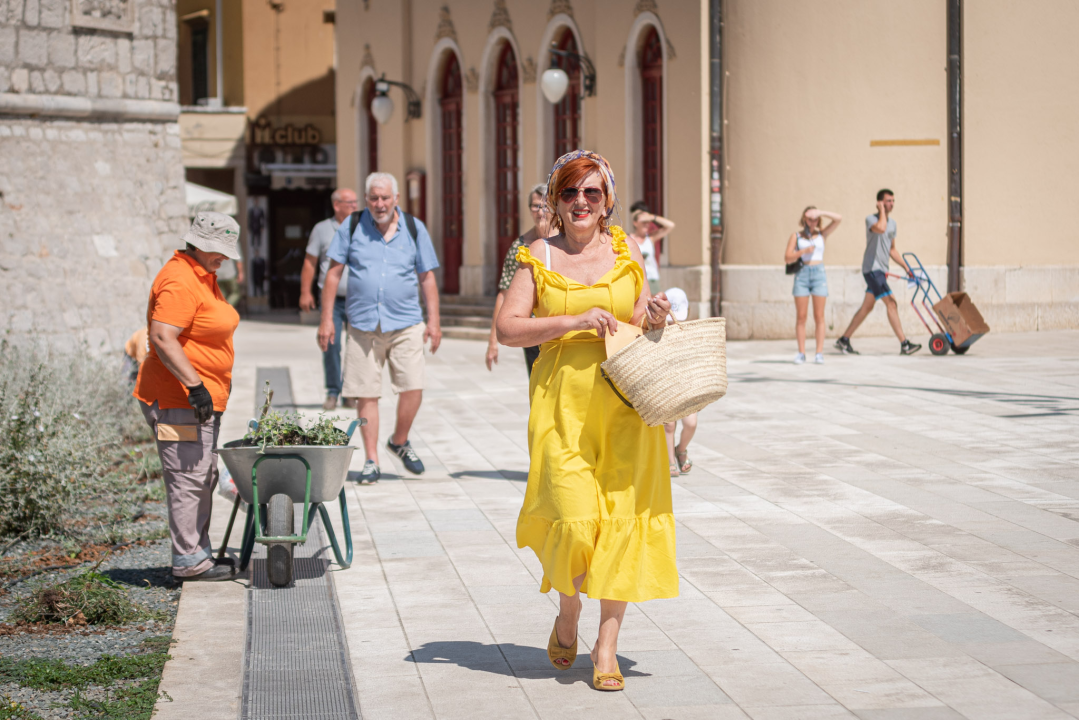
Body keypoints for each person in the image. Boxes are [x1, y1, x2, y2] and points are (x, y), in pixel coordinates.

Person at [497, 150, 677, 692]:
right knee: (573, 520)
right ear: (556, 200)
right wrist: (572, 320)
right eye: (571, 193)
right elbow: (507, 327)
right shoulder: (538, 255)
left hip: (624, 404)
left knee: (622, 522)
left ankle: (607, 646)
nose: (580, 202)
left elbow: (639, 314)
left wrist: (656, 314)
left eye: (592, 193)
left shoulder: (627, 249)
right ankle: (569, 610)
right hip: (563, 407)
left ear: (607, 203)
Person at [133, 211, 241, 582]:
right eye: (216, 250)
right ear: (195, 242)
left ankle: (198, 553)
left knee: (199, 473)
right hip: (176, 399)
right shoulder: (180, 280)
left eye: (225, 251)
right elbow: (163, 337)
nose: (222, 257)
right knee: (186, 476)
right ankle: (189, 563)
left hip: (193, 399)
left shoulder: (202, 276)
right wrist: (196, 387)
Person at [318, 173, 441, 484]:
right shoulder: (352, 226)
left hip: (406, 323)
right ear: (366, 199)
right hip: (362, 325)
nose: (379, 203)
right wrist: (326, 320)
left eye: (385, 197)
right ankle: (371, 459)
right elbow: (333, 274)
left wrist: (435, 322)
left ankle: (399, 441)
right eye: (373, 197)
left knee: (413, 387)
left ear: (396, 198)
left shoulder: (414, 228)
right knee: (366, 393)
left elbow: (427, 277)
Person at [835, 189, 922, 355]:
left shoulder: (893, 224)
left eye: (893, 201)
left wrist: (907, 267)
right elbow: (881, 228)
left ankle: (844, 340)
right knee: (891, 303)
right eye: (888, 201)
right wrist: (882, 210)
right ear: (880, 202)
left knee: (866, 308)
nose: (891, 204)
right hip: (872, 269)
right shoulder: (871, 219)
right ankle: (904, 344)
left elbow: (893, 249)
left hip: (881, 270)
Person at [301, 188, 360, 410]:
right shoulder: (322, 229)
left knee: (356, 346)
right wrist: (305, 292)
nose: (355, 206)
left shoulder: (363, 228)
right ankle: (333, 391)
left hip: (358, 299)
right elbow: (310, 262)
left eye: (356, 202)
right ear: (336, 205)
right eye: (349, 202)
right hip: (331, 299)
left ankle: (351, 391)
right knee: (331, 344)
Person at [486, 183, 551, 376]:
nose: (540, 211)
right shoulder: (519, 247)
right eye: (535, 206)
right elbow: (504, 293)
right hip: (532, 332)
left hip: (561, 329)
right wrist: (492, 341)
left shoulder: (566, 242)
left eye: (545, 205)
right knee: (538, 389)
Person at [783, 206, 842, 364]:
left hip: (818, 274)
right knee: (801, 317)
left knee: (819, 316)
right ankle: (801, 353)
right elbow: (787, 257)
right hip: (802, 275)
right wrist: (802, 252)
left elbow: (838, 219)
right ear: (804, 219)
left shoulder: (822, 234)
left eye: (815, 218)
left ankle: (819, 353)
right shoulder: (796, 236)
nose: (812, 221)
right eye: (809, 218)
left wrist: (820, 212)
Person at [660, 287, 698, 477]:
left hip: (685, 384)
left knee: (691, 423)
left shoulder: (690, 334)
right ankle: (670, 460)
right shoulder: (657, 334)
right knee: (669, 424)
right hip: (666, 384)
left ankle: (680, 449)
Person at [626, 201, 675, 296]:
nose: (646, 224)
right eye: (643, 222)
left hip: (652, 278)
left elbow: (671, 226)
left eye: (648, 222)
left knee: (653, 304)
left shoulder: (651, 238)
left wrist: (652, 217)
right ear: (635, 223)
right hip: (635, 278)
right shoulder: (628, 238)